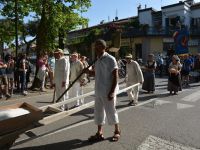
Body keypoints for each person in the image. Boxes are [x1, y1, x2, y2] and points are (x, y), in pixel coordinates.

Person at [84, 39, 121, 142]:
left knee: (111, 111)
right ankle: (99, 133)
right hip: (99, 91)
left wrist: (112, 91)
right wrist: (88, 71)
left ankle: (117, 131)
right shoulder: (97, 59)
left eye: (98, 46)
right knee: (98, 112)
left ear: (104, 47)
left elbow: (115, 76)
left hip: (108, 91)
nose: (96, 47)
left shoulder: (110, 59)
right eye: (95, 46)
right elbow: (95, 73)